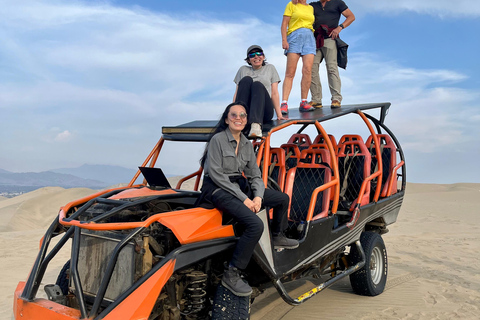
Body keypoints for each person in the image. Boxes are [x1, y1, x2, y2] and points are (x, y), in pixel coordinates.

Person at [199, 102, 299, 296]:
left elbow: (254, 175)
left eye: (243, 115)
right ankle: (232, 272)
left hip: (239, 186)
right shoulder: (217, 140)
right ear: (227, 119)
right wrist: (245, 199)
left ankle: (277, 235)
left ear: (246, 120)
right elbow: (217, 175)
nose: (239, 118)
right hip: (217, 189)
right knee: (255, 224)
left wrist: (259, 197)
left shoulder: (246, 144)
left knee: (281, 199)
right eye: (234, 115)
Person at [308, 0, 355, 108]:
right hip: (315, 40)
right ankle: (316, 99)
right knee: (310, 69)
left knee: (331, 68)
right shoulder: (312, 5)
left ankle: (336, 98)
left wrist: (339, 28)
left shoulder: (338, 3)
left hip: (330, 38)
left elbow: (351, 17)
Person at [233, 45, 286, 139]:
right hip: (247, 110)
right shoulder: (243, 70)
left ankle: (256, 125)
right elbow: (238, 93)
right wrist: (231, 113)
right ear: (249, 60)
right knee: (246, 80)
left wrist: (279, 114)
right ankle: (240, 119)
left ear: (263, 57)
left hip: (264, 110)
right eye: (252, 55)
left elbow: (274, 93)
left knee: (257, 85)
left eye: (259, 54)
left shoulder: (270, 68)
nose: (256, 56)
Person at [281, 0, 316, 114]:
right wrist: (284, 40)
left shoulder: (310, 8)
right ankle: (284, 103)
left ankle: (304, 102)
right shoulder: (292, 4)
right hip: (295, 36)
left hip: (309, 37)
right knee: (290, 72)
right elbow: (284, 23)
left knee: (307, 70)